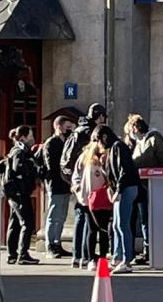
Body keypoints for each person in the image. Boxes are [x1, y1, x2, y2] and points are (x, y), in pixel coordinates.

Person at [61, 103, 107, 268]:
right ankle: (85, 255)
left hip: (76, 180)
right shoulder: (91, 133)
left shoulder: (77, 130)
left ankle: (77, 255)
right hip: (88, 183)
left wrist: (75, 184)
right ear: (99, 116)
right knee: (90, 222)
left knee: (81, 218)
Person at [130, 116, 163, 265]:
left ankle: (153, 250)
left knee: (151, 219)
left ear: (136, 128)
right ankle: (148, 250)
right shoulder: (139, 142)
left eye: (132, 129)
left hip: (155, 186)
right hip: (142, 186)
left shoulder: (154, 139)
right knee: (144, 220)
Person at [103, 124, 141, 274]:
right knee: (117, 225)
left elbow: (123, 170)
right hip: (122, 188)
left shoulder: (118, 147)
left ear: (104, 137)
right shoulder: (115, 148)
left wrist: (118, 190)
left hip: (126, 188)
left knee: (123, 224)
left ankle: (126, 260)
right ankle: (118, 257)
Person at [79, 127, 114, 271]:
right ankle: (94, 258)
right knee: (95, 229)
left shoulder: (100, 159)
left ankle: (99, 257)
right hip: (94, 199)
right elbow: (86, 182)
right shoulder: (91, 162)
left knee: (99, 230)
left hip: (98, 199)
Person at [5, 125, 41, 265]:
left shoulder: (16, 150)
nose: (32, 139)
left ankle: (12, 254)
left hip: (14, 193)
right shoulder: (19, 152)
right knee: (27, 223)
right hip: (20, 192)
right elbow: (18, 168)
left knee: (14, 222)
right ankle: (23, 254)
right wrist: (32, 165)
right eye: (30, 137)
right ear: (23, 138)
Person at [41, 116, 75, 259]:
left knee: (62, 216)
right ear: (58, 127)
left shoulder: (67, 142)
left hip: (65, 185)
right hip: (55, 185)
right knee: (53, 215)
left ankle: (57, 242)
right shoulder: (51, 143)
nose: (69, 130)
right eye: (67, 127)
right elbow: (51, 166)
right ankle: (50, 245)